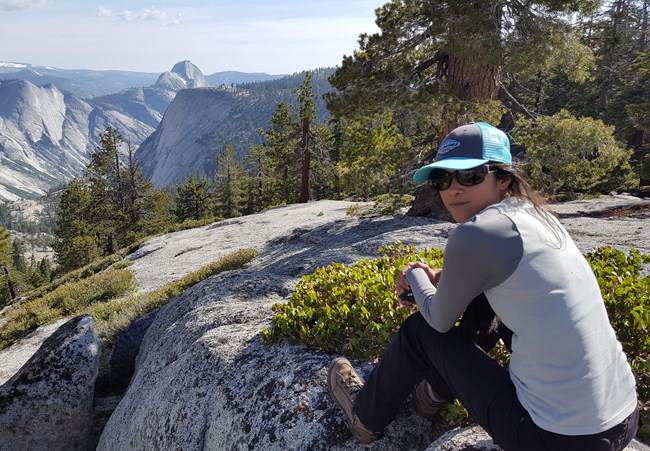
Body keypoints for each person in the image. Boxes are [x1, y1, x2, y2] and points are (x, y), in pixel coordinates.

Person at [327, 122, 639, 450]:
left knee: (419, 329)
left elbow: (438, 319)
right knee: (483, 297)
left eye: (471, 176)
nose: (453, 190)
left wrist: (416, 275)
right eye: (442, 179)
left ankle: (365, 416)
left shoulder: (474, 234)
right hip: (622, 419)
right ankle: (434, 392)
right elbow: (493, 269)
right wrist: (437, 273)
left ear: (503, 178)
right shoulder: (535, 215)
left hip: (554, 438)